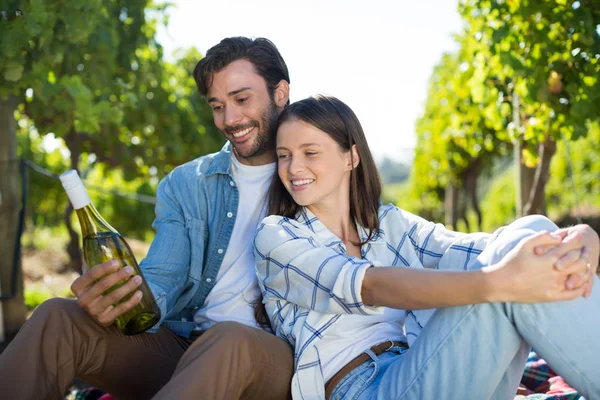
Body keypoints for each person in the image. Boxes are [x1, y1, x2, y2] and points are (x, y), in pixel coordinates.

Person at [0, 37, 294, 400]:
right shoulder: (188, 183)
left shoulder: (314, 175)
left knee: (229, 339)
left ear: (280, 93)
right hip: (187, 349)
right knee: (57, 318)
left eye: (242, 99)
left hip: (273, 362)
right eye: (217, 106)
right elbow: (163, 276)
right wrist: (127, 297)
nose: (229, 119)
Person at [253, 94, 600, 400]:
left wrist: (580, 237)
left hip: (415, 366)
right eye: (284, 156)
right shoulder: (278, 236)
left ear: (351, 157)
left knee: (531, 230)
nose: (294, 167)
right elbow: (368, 286)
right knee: (512, 264)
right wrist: (500, 281)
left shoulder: (386, 224)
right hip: (362, 388)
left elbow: (482, 247)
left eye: (309, 152)